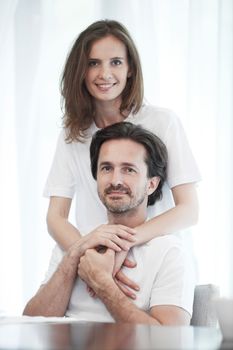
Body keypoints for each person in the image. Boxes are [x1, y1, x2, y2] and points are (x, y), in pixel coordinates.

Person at [44, 19, 200, 297]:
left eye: (116, 62)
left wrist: (123, 244)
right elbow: (55, 217)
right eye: (93, 63)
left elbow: (189, 209)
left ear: (130, 70)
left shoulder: (163, 122)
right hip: (94, 263)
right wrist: (89, 255)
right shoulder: (73, 135)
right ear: (80, 71)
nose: (105, 73)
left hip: (156, 267)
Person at [24, 122, 195, 324]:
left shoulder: (169, 253)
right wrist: (74, 258)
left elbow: (169, 342)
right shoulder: (75, 244)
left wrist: (103, 283)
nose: (115, 180)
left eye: (129, 170)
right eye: (106, 168)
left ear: (151, 184)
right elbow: (30, 324)